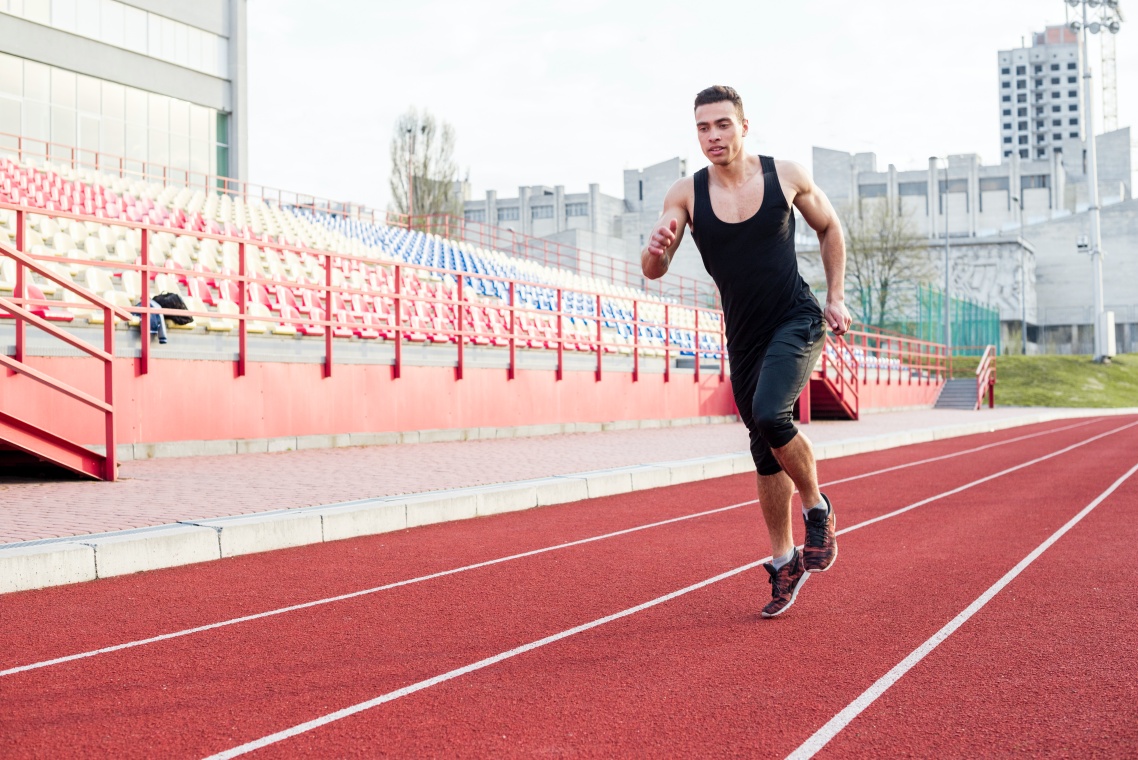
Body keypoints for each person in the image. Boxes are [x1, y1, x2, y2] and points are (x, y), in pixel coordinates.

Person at [641, 85, 851, 618]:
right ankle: (784, 562)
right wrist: (655, 252)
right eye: (703, 128)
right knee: (762, 451)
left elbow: (829, 227)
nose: (713, 136)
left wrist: (835, 296)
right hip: (744, 336)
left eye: (722, 125)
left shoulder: (786, 175)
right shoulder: (686, 194)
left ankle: (817, 508)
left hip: (797, 318)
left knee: (770, 413)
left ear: (744, 125)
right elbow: (653, 272)